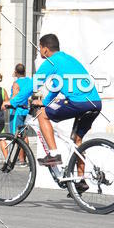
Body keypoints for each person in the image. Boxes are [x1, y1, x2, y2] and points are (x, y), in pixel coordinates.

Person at [32, 33, 102, 189]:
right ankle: (81, 180)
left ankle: (53, 154)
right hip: (95, 103)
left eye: (39, 48)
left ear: (45, 49)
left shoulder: (52, 61)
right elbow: (55, 89)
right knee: (77, 141)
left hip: (79, 103)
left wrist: (15, 101)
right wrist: (44, 102)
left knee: (42, 114)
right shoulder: (68, 60)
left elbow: (34, 83)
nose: (39, 51)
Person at [9, 63, 34, 163]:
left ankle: (21, 159)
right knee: (24, 135)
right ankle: (26, 158)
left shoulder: (16, 83)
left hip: (17, 111)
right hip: (26, 110)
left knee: (17, 135)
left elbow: (15, 98)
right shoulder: (29, 81)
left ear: (15, 72)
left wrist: (8, 102)